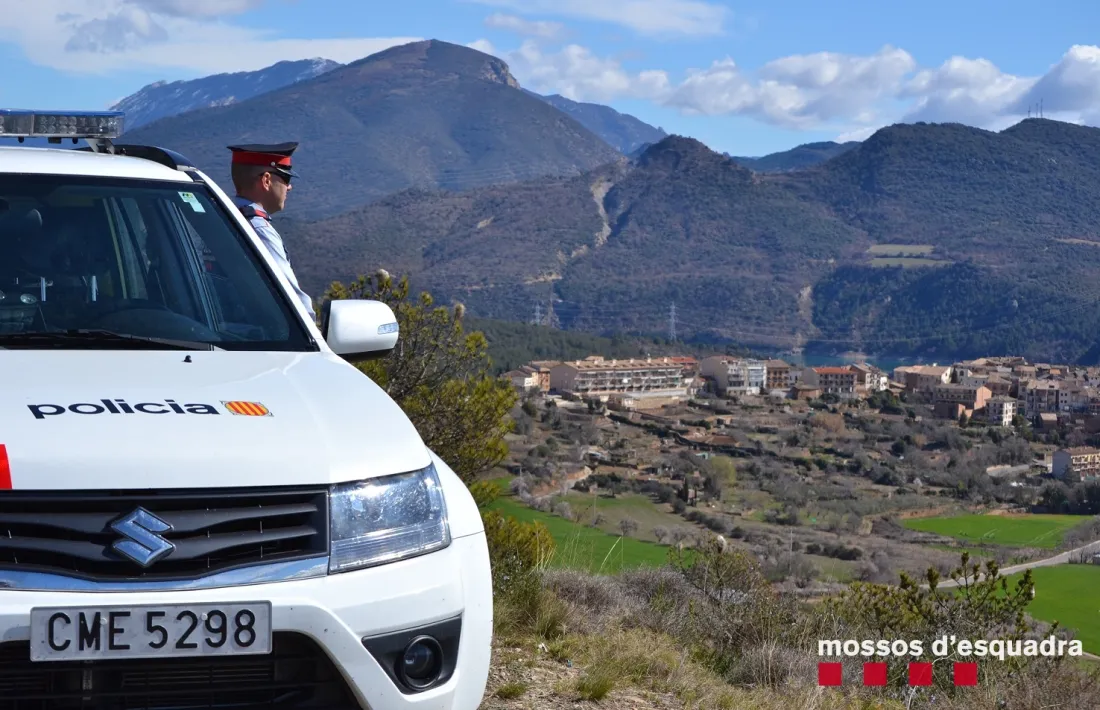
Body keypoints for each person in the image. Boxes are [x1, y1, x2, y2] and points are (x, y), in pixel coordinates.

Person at [227, 142, 315, 321]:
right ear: (266, 180)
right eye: (286, 178)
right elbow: (292, 300)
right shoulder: (258, 230)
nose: (289, 187)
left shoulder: (222, 216)